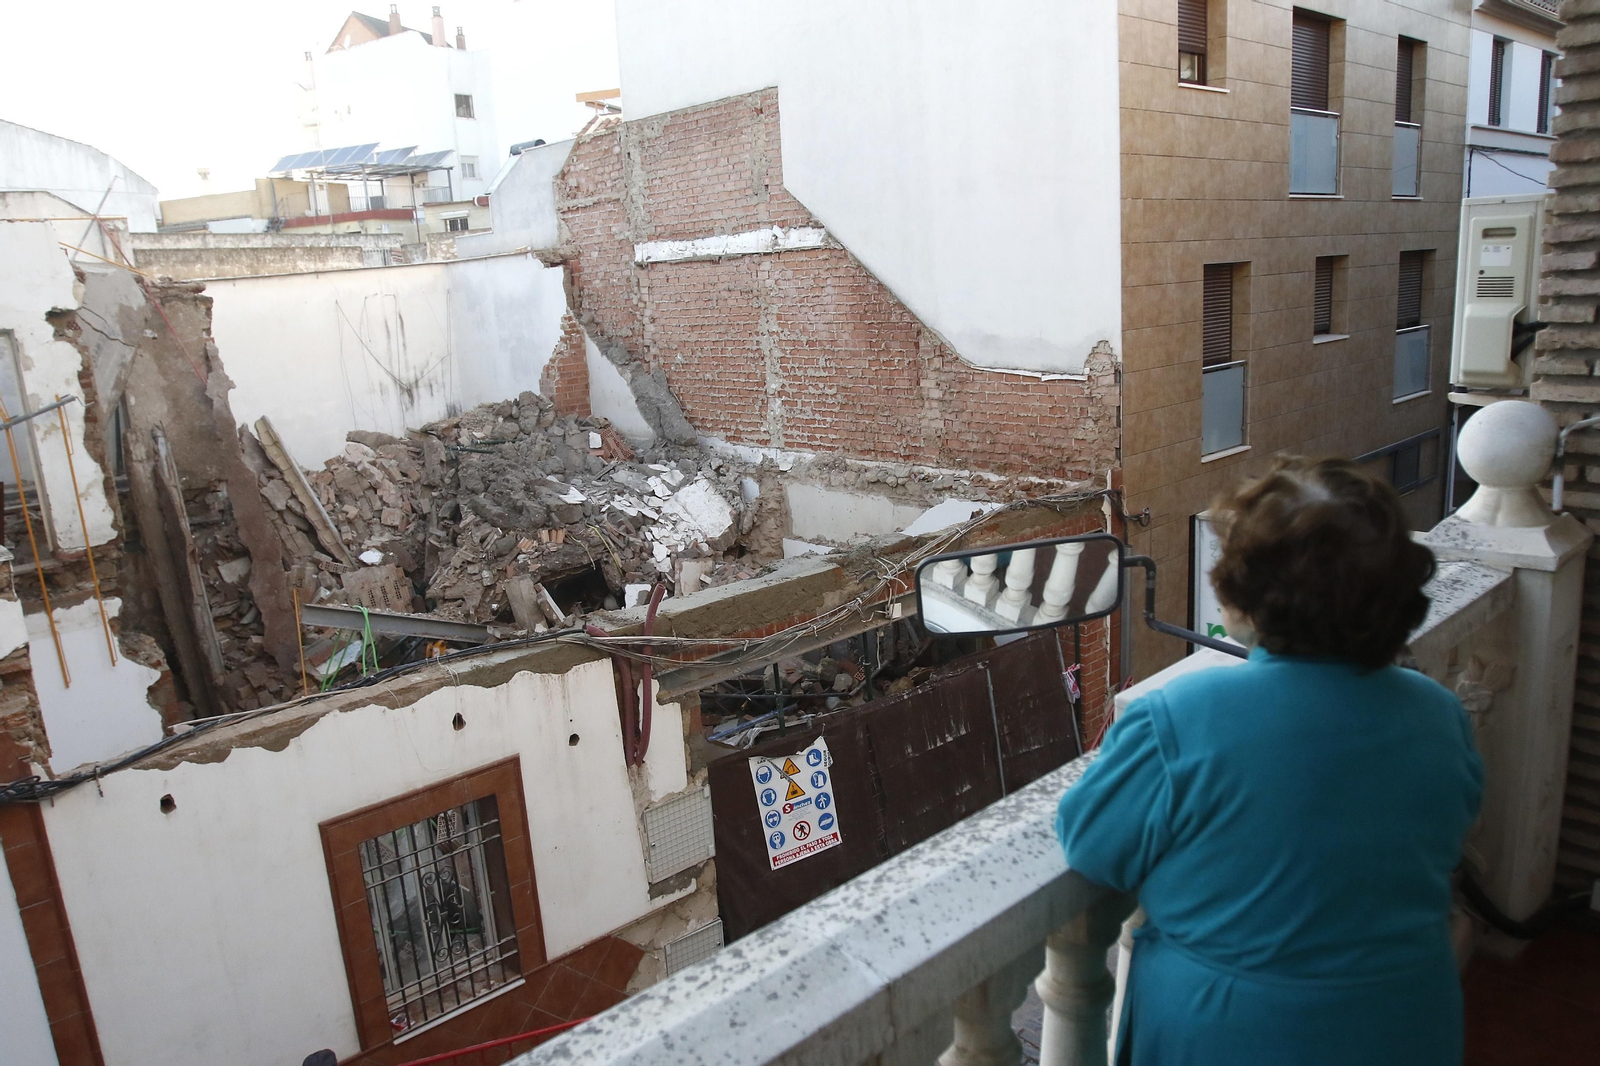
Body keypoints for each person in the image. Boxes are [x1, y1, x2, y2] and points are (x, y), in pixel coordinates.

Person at [1056, 456, 1483, 1065]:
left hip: (1231, 1032)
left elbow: (1091, 843)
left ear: (1243, 600)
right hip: (1405, 1018)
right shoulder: (1440, 715)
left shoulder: (1178, 717)